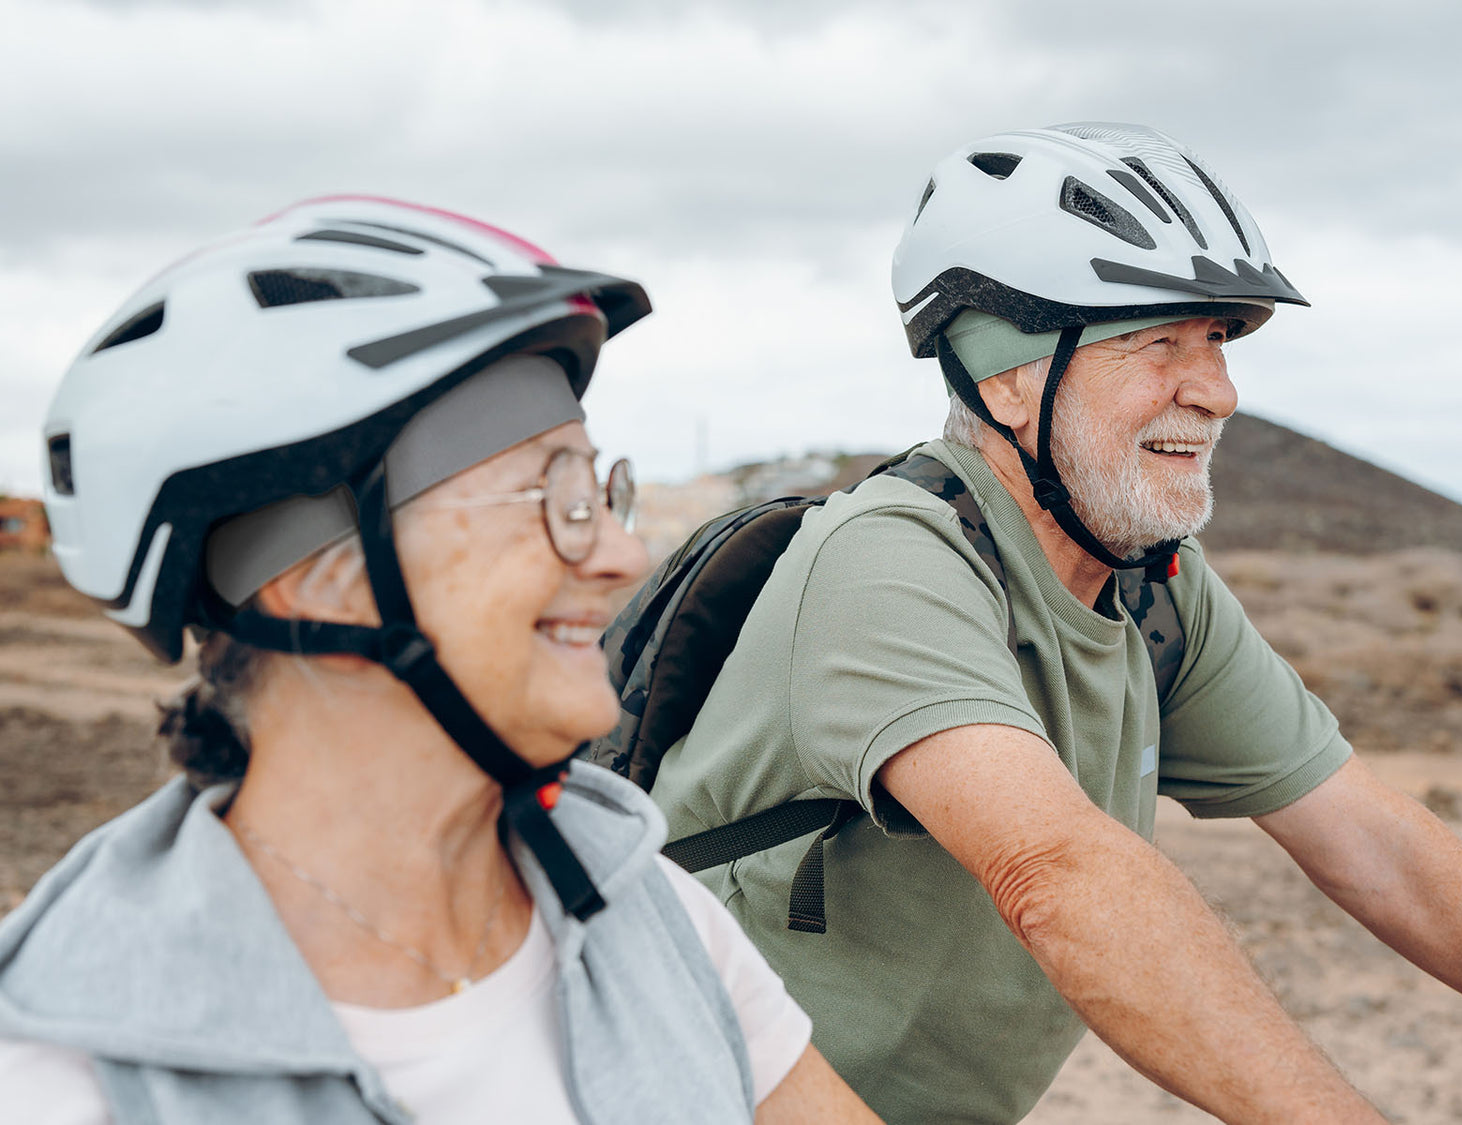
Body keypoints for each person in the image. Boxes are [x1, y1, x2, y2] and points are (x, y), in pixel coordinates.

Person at [644, 124, 1462, 1124]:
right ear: (1008, 376)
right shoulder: (890, 558)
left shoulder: (1149, 587)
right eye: (1158, 342)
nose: (1219, 393)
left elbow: (1374, 846)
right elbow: (1059, 878)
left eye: (1217, 342)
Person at [0, 196, 880, 1124]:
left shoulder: (644, 909)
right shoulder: (73, 1076)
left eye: (601, 489)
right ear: (321, 577)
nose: (621, 556)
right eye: (558, 499)